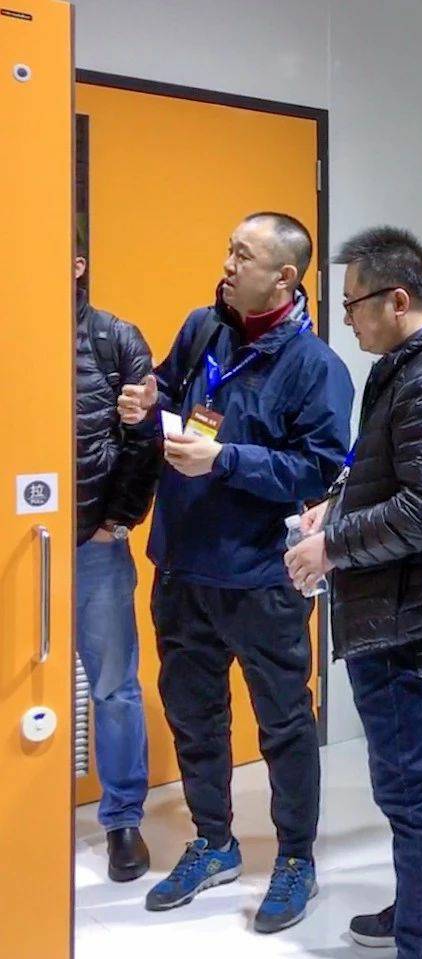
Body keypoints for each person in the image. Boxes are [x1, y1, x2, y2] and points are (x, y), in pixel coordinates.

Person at [117, 212, 354, 932]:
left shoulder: (317, 367)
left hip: (261, 574)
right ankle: (214, 842)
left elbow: (317, 468)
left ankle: (296, 858)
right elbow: (170, 392)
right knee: (195, 714)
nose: (226, 264)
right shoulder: (203, 328)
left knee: (283, 722)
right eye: (228, 250)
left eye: (242, 255)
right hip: (183, 564)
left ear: (284, 277)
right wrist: (147, 404)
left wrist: (224, 459)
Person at [285, 227, 422, 958]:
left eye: (353, 304)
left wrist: (332, 546)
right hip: (396, 599)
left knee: (412, 784)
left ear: (397, 299)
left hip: (406, 609)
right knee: (413, 776)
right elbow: (388, 471)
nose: (346, 318)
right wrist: (335, 507)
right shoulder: (405, 367)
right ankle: (419, 913)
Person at [74, 238, 162, 882]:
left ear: (77, 265)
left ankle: (123, 820)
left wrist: (118, 521)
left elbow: (144, 439)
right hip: (19, 544)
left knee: (113, 688)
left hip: (93, 548)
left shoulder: (114, 339)